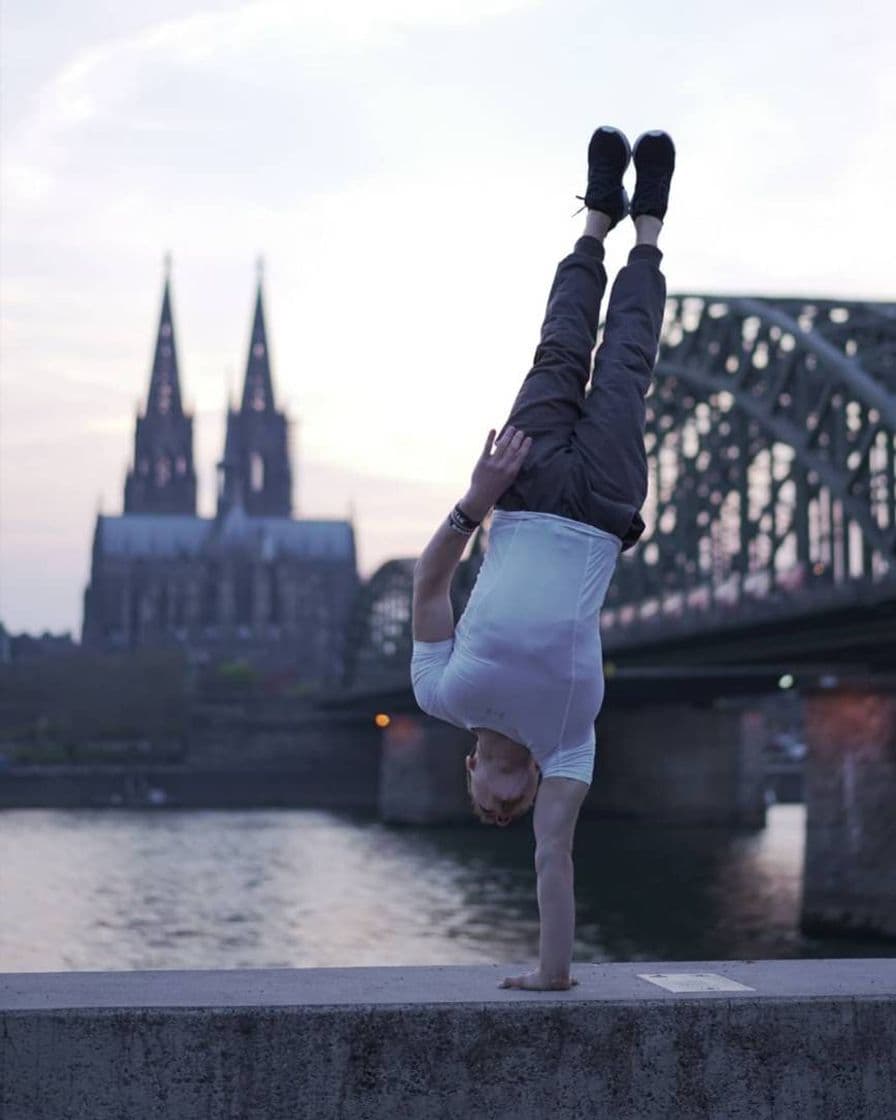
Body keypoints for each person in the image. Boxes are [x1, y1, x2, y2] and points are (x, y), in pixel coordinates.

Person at [410, 126, 675, 990]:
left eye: (487, 799)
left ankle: (594, 221)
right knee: (627, 365)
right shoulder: (568, 748)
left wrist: (474, 499)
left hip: (517, 496)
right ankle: (647, 230)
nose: (503, 798)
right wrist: (551, 977)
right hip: (600, 503)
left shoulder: (442, 694)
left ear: (471, 770)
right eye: (509, 806)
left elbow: (430, 581)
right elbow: (553, 867)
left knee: (559, 349)